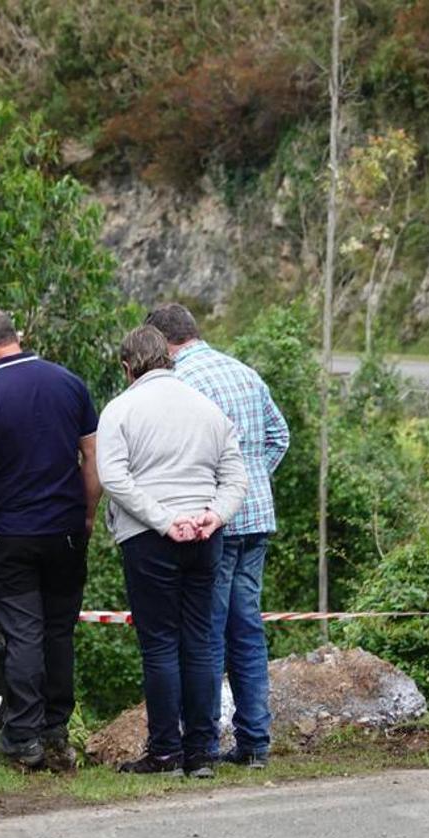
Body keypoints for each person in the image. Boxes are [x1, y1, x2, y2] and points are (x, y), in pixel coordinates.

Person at [97, 325, 249, 778]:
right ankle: (202, 751)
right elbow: (236, 475)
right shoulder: (208, 408)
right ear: (170, 360)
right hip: (206, 536)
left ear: (128, 368)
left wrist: (164, 521)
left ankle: (165, 751)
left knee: (160, 644)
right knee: (202, 642)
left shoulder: (120, 410)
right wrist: (214, 516)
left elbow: (113, 477)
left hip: (149, 539)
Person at [0, 309, 100, 772]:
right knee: (59, 631)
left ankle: (23, 738)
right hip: (66, 533)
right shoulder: (70, 384)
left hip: (12, 537)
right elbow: (94, 460)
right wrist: (87, 514)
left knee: (24, 635)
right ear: (18, 337)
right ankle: (57, 732)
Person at [145, 304, 289, 769]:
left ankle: (203, 744)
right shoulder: (243, 372)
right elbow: (279, 436)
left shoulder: (180, 382)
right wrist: (251, 484)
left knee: (205, 633)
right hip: (256, 519)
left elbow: (179, 455)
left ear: (162, 343)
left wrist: (218, 500)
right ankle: (254, 743)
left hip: (213, 523)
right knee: (247, 631)